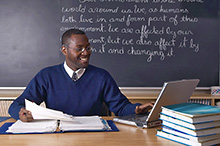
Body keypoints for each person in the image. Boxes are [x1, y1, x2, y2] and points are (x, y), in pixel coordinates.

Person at [8, 29, 153, 122]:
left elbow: (120, 107)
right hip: (58, 136)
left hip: (94, 136)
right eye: (79, 49)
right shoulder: (46, 76)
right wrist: (21, 113)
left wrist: (136, 109)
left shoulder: (101, 76)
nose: (86, 52)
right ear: (64, 50)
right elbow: (16, 105)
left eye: (88, 47)